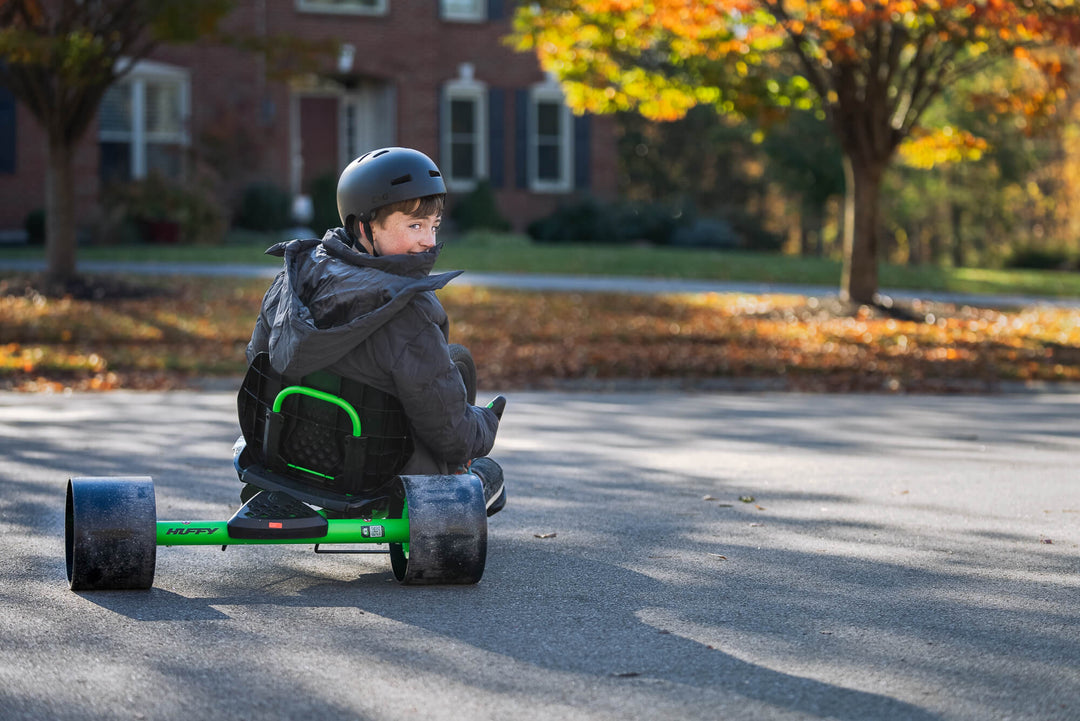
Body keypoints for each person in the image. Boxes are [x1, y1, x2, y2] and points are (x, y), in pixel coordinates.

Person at [246, 147, 505, 515]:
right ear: (365, 226)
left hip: (283, 456)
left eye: (434, 226)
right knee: (484, 470)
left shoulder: (292, 278)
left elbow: (257, 367)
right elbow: (451, 433)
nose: (429, 242)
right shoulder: (408, 313)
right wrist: (485, 423)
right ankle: (472, 481)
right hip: (379, 476)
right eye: (414, 225)